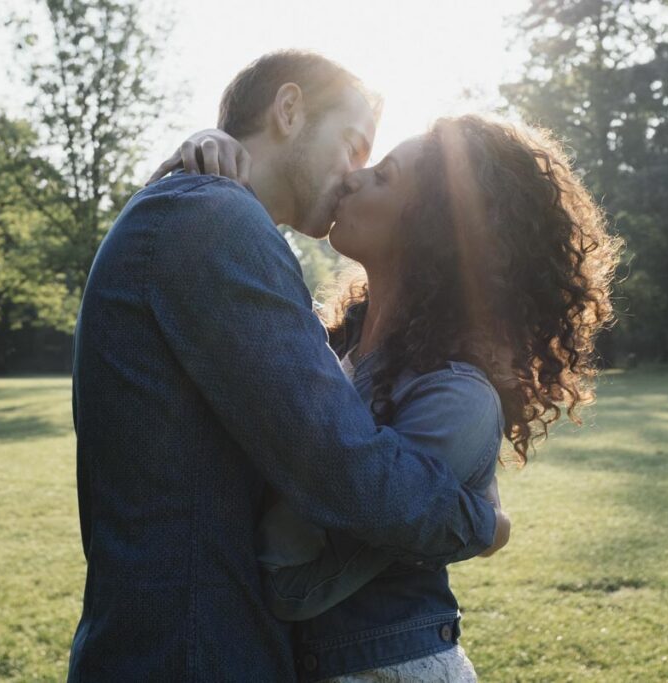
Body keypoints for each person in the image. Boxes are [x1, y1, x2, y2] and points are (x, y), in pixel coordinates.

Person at [68, 50, 509, 682]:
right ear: (290, 109)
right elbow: (340, 466)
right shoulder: (213, 221)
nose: (354, 176)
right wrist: (480, 520)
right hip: (191, 654)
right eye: (354, 146)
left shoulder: (198, 212)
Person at [156, 114, 622, 680]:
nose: (354, 177)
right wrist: (217, 157)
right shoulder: (333, 343)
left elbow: (296, 580)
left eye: (383, 176)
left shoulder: (458, 394)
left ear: (436, 227)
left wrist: (475, 522)